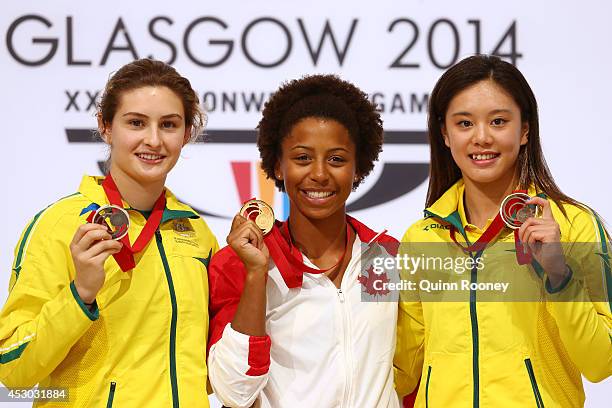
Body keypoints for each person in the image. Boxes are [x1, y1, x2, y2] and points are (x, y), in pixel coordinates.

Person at [394, 55, 612, 407]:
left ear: (524, 129)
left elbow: (602, 362)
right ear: (444, 134)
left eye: (498, 121)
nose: (482, 138)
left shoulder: (573, 224)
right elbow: (400, 370)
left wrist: (559, 275)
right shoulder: (422, 238)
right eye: (464, 123)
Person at [0, 59, 218, 407]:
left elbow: (206, 366)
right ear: (106, 127)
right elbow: (12, 369)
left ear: (187, 133)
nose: (153, 139)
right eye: (136, 123)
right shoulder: (60, 224)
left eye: (169, 125)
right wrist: (80, 294)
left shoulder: (195, 231)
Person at [207, 74, 405, 407]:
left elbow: (411, 369)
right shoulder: (236, 263)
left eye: (337, 159)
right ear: (278, 166)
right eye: (302, 158)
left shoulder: (386, 256)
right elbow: (234, 391)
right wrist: (256, 275)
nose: (319, 174)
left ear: (358, 169)